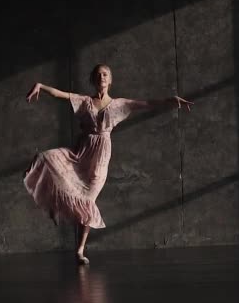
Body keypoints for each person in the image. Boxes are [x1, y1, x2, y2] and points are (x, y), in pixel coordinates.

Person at [23, 64, 193, 265]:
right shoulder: (85, 101)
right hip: (81, 152)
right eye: (98, 75)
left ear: (110, 80)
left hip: (101, 156)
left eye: (105, 74)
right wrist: (41, 86)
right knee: (48, 158)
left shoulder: (120, 104)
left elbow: (147, 103)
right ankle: (56, 207)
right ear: (93, 80)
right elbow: (61, 94)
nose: (101, 77)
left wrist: (170, 101)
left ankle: (80, 250)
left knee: (88, 199)